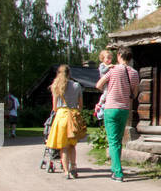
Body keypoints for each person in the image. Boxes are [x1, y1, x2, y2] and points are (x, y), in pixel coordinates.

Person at [94, 46, 140, 181]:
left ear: (119, 55)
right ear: (130, 58)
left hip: (111, 108)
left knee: (113, 141)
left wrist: (110, 90)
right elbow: (135, 93)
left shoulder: (113, 70)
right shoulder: (134, 73)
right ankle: (115, 168)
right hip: (125, 109)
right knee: (118, 141)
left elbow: (98, 85)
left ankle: (118, 173)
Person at [44, 64, 87, 179]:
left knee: (63, 147)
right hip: (72, 116)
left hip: (61, 116)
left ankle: (66, 171)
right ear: (70, 73)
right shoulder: (77, 86)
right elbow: (80, 105)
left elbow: (54, 107)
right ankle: (74, 168)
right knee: (72, 145)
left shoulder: (56, 86)